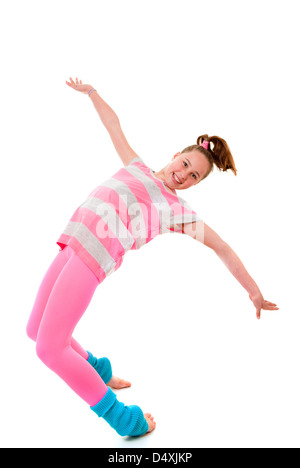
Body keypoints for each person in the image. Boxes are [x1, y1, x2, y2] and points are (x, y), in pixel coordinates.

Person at [26, 77, 279, 438]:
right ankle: (98, 369)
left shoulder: (176, 210)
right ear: (178, 153)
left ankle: (124, 418)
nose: (184, 175)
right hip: (72, 244)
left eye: (194, 176)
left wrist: (253, 290)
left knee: (49, 349)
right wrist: (92, 93)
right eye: (187, 164)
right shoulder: (137, 166)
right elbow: (113, 125)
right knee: (34, 331)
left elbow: (221, 247)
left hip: (91, 261)